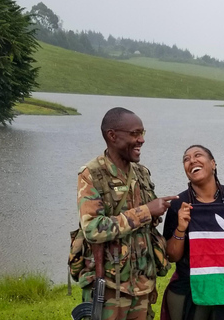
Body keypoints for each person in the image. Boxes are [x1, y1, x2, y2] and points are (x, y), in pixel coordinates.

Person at [76, 107, 178, 320]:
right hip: (110, 288)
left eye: (143, 133)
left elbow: (148, 221)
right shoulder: (92, 174)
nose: (141, 140)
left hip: (143, 285)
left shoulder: (141, 172)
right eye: (135, 134)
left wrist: (158, 211)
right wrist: (146, 211)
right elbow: (93, 229)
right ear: (112, 136)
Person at [162, 145, 224, 320]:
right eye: (186, 159)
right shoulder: (179, 204)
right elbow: (172, 256)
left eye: (198, 155)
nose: (192, 160)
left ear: (213, 163)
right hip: (188, 288)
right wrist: (181, 227)